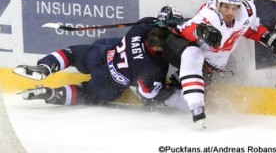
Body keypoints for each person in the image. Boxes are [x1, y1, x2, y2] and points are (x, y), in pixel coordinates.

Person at [163, 0, 276, 125]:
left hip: (207, 64)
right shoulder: (210, 15)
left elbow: (249, 29)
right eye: (226, 7)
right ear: (218, 5)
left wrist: (268, 37)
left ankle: (169, 94)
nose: (230, 12)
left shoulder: (246, 12)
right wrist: (201, 30)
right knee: (193, 54)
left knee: (186, 102)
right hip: (177, 45)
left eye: (234, 8)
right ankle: (192, 106)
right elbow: (185, 31)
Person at [13, 7, 184, 107]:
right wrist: (169, 89)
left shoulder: (138, 30)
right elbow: (148, 97)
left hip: (101, 56)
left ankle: (45, 67)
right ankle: (51, 94)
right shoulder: (154, 68)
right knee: (84, 94)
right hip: (109, 86)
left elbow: (153, 19)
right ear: (159, 47)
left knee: (71, 54)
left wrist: (164, 22)